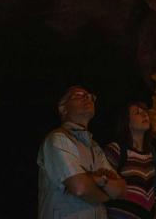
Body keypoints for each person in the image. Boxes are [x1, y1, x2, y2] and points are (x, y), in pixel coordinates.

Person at [37, 86, 127, 219]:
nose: (87, 98)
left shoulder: (94, 147)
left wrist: (100, 181)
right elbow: (80, 188)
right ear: (63, 109)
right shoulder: (58, 139)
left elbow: (121, 189)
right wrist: (106, 195)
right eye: (78, 95)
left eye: (90, 96)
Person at [103, 101, 156, 219]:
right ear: (128, 122)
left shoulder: (151, 155)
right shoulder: (116, 149)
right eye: (137, 113)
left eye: (145, 112)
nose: (145, 115)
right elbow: (103, 185)